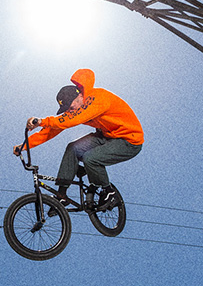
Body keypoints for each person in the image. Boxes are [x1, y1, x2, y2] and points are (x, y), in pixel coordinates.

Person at [14, 69, 144, 207]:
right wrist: (24, 146)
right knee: (73, 148)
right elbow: (52, 129)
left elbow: (70, 121)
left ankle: (108, 192)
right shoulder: (77, 109)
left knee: (90, 158)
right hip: (107, 136)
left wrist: (41, 121)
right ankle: (61, 195)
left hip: (129, 141)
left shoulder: (98, 98)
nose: (69, 111)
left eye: (70, 107)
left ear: (79, 97)